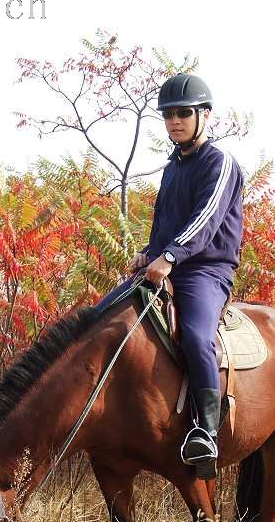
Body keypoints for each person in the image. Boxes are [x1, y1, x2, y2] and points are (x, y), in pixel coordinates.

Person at [94, 74, 245, 480]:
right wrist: (150, 252)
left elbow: (206, 220)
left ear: (204, 115)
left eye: (183, 113)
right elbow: (163, 222)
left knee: (196, 336)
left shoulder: (220, 163)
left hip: (207, 270)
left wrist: (170, 256)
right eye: (168, 115)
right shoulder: (173, 168)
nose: (175, 121)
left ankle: (206, 432)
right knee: (101, 316)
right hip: (167, 262)